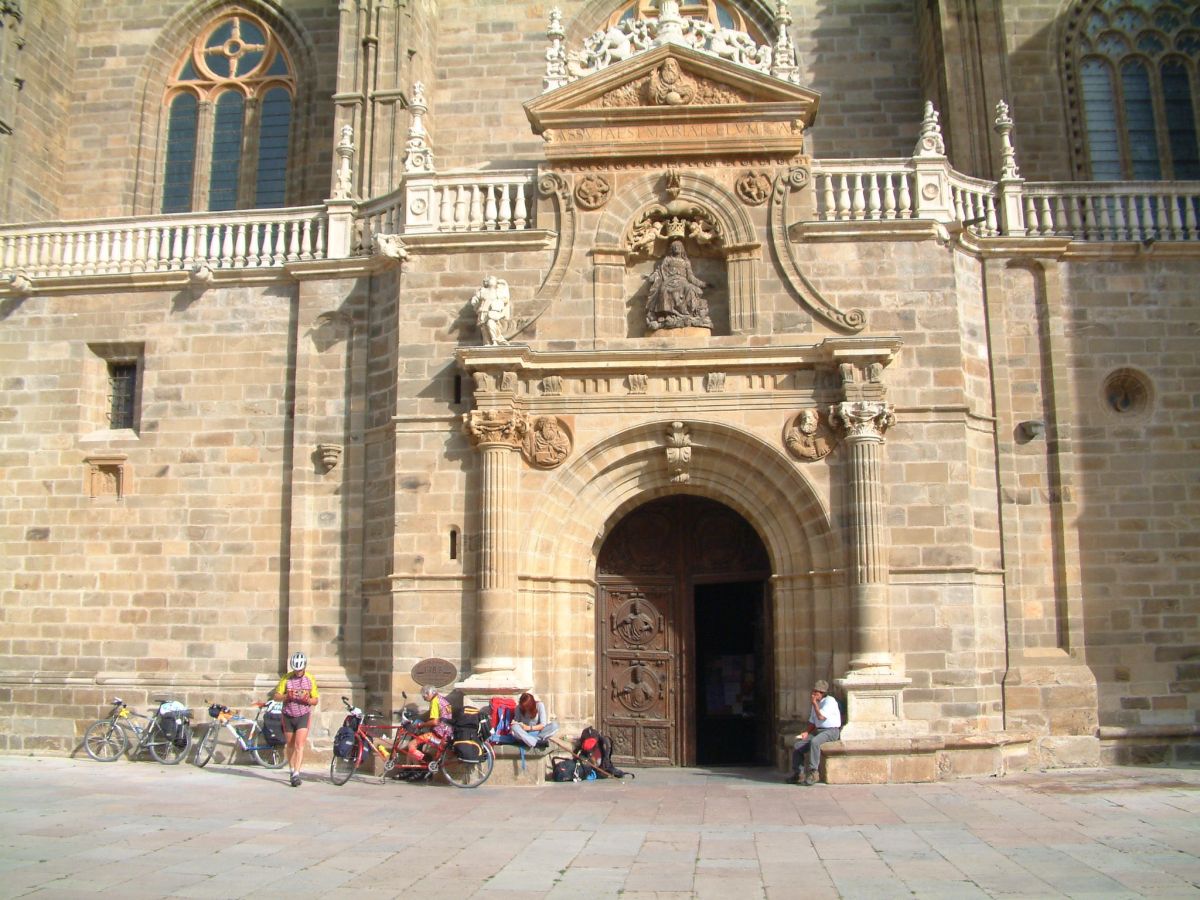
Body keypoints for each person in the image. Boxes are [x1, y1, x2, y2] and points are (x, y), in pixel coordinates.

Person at [273, 651, 319, 787]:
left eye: (300, 670)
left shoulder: (310, 678)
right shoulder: (286, 679)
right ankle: (291, 769)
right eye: (295, 670)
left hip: (303, 714)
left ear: (304, 667)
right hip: (288, 714)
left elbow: (315, 699)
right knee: (290, 744)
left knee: (299, 745)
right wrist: (288, 696)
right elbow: (276, 696)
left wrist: (307, 699)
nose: (298, 672)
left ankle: (296, 774)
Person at [645, 239, 710, 331]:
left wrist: (703, 284)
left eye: (678, 246)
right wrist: (655, 278)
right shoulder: (667, 259)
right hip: (669, 281)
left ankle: (687, 313)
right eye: (674, 246)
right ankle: (667, 314)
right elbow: (661, 271)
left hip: (683, 282)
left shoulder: (686, 262)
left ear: (682, 249)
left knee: (690, 288)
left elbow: (691, 277)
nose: (676, 248)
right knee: (664, 290)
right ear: (671, 249)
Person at [787, 679, 841, 785]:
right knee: (798, 746)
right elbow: (813, 722)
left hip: (831, 731)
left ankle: (814, 772)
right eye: (813, 691)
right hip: (819, 730)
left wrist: (814, 704)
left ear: (822, 693)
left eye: (816, 692)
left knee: (815, 742)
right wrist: (806, 732)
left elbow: (820, 717)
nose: (814, 694)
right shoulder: (816, 703)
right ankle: (798, 774)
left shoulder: (829, 701)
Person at [470, 275, 511, 345]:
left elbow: (505, 299)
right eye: (491, 279)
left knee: (491, 323)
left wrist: (499, 303)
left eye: (494, 280)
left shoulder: (498, 291)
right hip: (483, 310)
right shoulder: (483, 290)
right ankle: (487, 342)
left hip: (493, 311)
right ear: (487, 282)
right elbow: (476, 298)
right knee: (484, 327)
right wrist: (474, 301)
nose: (493, 281)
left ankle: (495, 340)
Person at [417, 684, 454, 757]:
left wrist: (421, 725)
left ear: (428, 693)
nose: (424, 699)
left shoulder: (434, 701)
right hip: (448, 730)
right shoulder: (441, 699)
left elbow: (435, 722)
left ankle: (422, 761)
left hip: (440, 732)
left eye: (424, 697)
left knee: (416, 741)